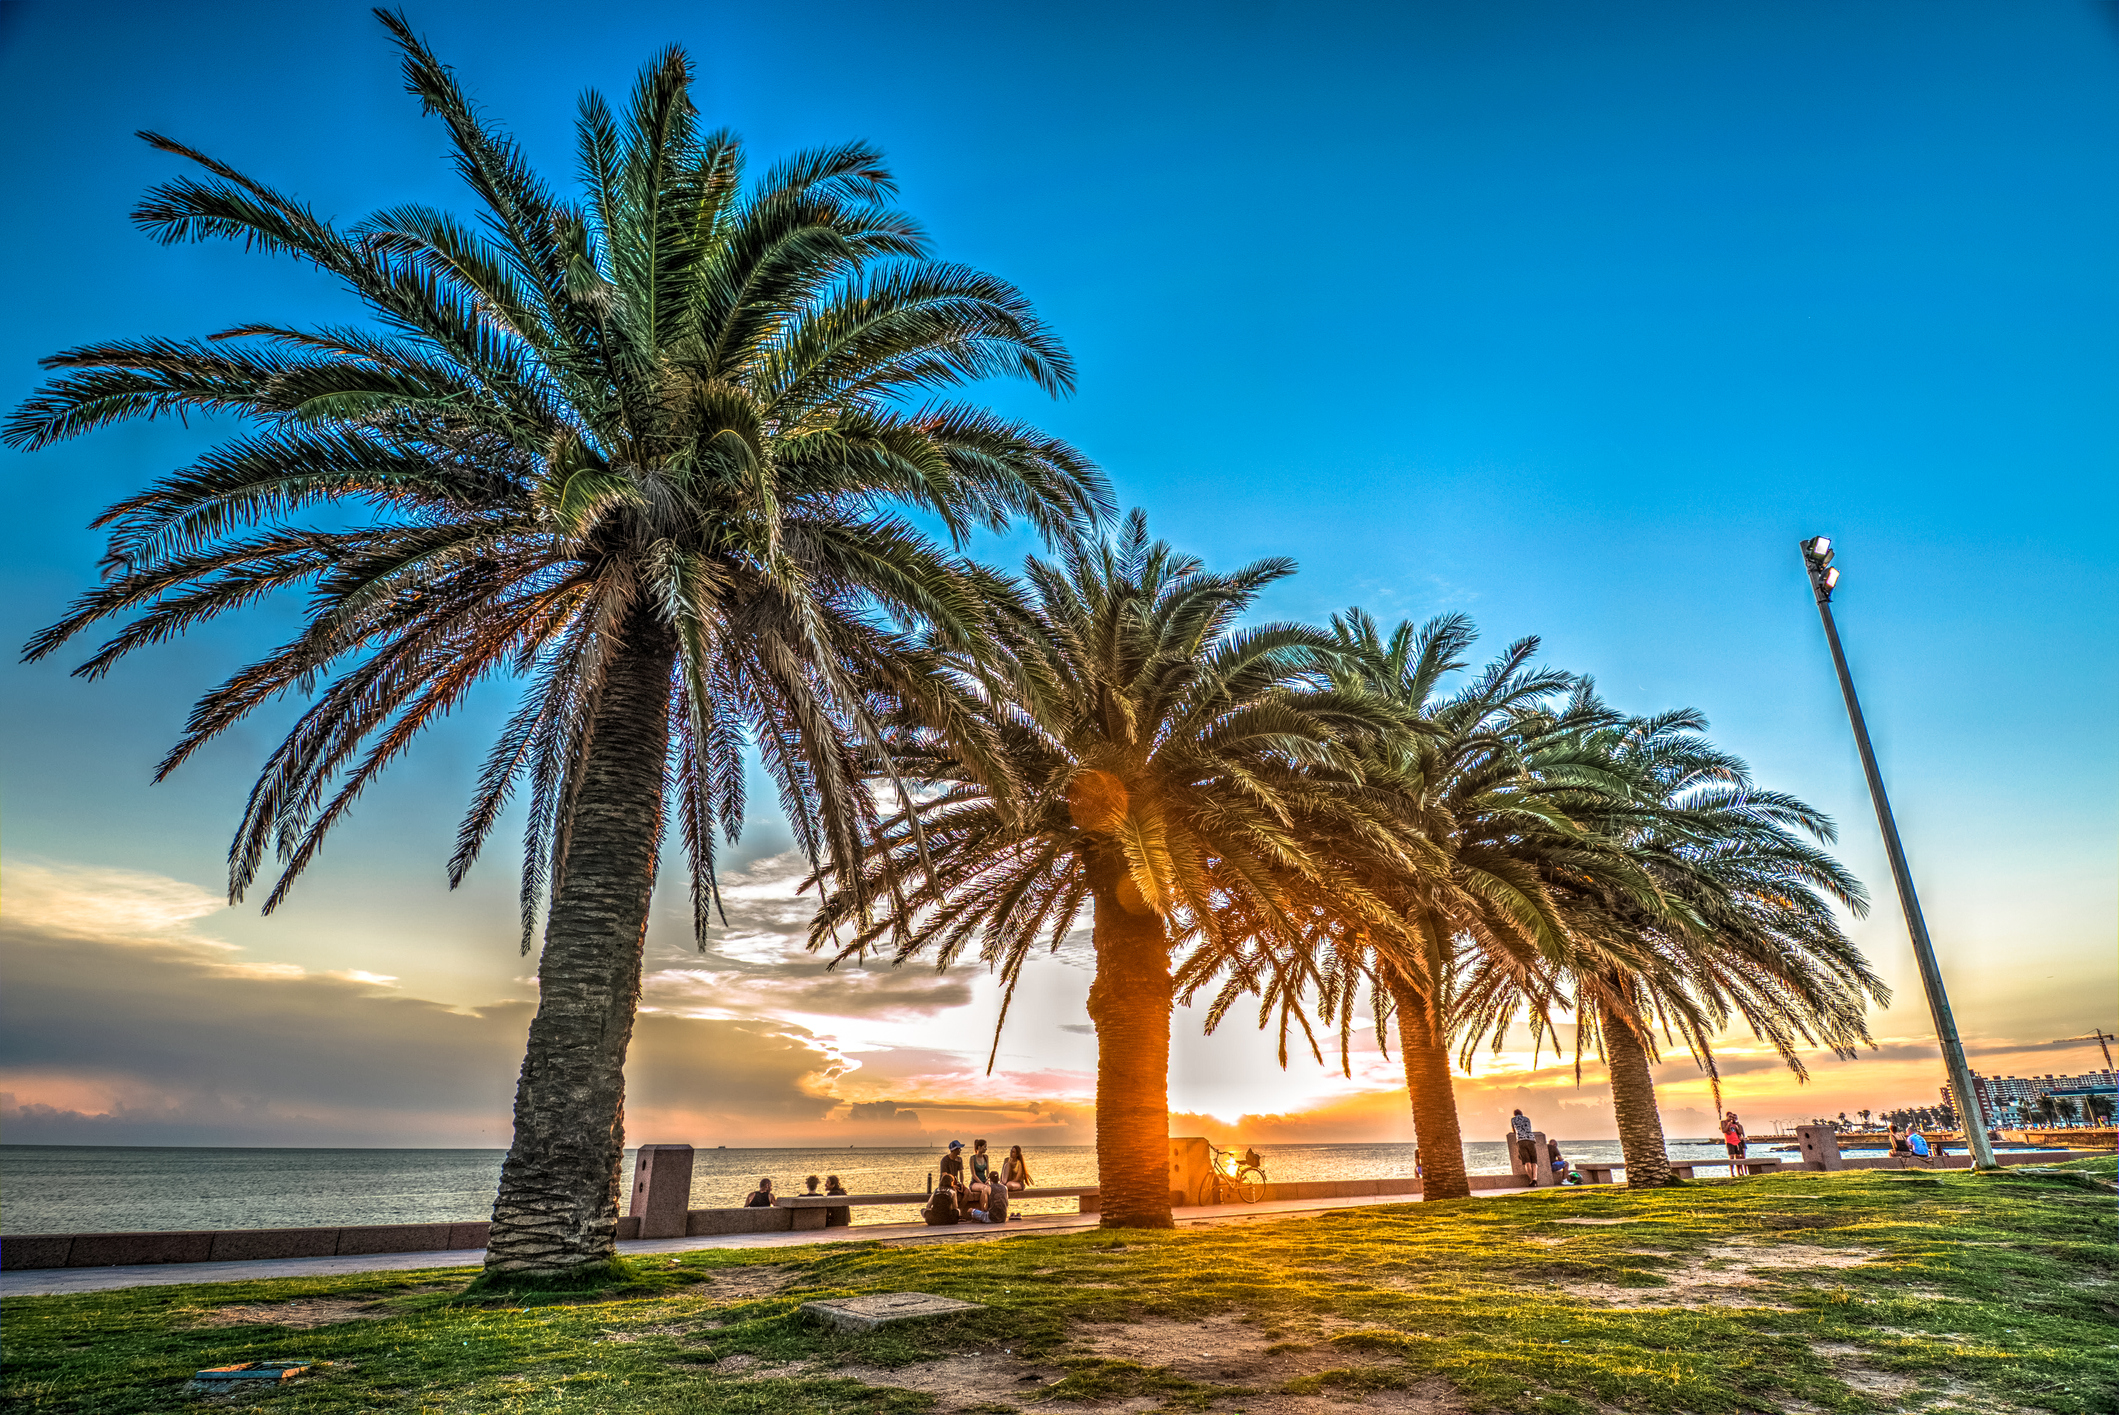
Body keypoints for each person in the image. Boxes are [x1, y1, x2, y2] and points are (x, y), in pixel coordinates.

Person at [1511, 1109, 1538, 1181]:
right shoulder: (1527, 1119)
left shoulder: (1513, 1119)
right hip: (1531, 1140)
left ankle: (1532, 1180)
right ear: (1521, 1113)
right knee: (1534, 1162)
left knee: (1527, 1162)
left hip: (1521, 1141)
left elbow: (1514, 1130)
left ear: (1515, 1114)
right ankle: (1535, 1178)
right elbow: (1529, 1128)